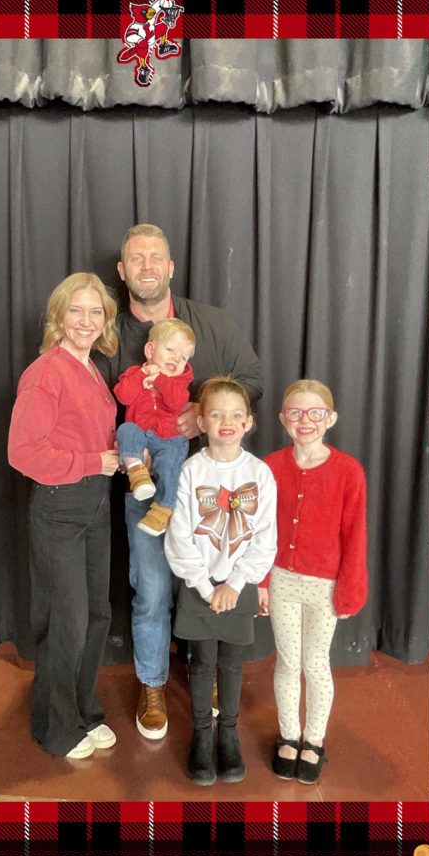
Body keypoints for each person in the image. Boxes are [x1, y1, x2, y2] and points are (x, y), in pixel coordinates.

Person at [95, 223, 262, 740]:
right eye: (136, 258)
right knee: (151, 590)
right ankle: (152, 683)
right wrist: (125, 445)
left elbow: (252, 380)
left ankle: (201, 672)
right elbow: (90, 403)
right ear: (122, 271)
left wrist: (200, 408)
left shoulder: (211, 323)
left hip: (205, 485)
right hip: (142, 488)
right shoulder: (107, 332)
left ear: (170, 267)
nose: (147, 267)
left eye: (156, 258)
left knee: (204, 580)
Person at [8, 273, 121, 760]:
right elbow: (23, 453)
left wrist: (124, 456)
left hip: (96, 503)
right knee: (67, 621)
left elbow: (92, 438)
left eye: (96, 311)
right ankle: (56, 727)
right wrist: (95, 462)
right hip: (60, 508)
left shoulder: (92, 368)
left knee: (97, 614)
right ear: (58, 316)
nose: (86, 320)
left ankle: (83, 710)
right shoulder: (46, 373)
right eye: (76, 310)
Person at [164, 378, 277, 784]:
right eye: (216, 414)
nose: (226, 422)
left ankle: (228, 733)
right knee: (201, 661)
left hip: (238, 585)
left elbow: (265, 537)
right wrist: (206, 586)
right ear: (202, 422)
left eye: (235, 415)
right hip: (200, 585)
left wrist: (236, 583)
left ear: (248, 422)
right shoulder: (191, 471)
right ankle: (201, 733)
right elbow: (179, 534)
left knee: (231, 662)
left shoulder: (259, 474)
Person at [260, 379, 367, 784]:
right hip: (282, 581)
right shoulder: (270, 467)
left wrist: (350, 589)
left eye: (315, 413)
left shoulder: (348, 471)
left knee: (316, 663)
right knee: (288, 661)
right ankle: (289, 735)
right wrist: (261, 581)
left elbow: (354, 534)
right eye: (296, 413)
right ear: (283, 418)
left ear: (330, 418)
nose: (305, 420)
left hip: (325, 585)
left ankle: (314, 739)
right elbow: (260, 531)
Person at [114, 319, 196, 536]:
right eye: (170, 350)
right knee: (126, 429)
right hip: (140, 438)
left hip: (169, 439)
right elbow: (123, 396)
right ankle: (138, 473)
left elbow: (176, 402)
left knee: (170, 465)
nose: (176, 358)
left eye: (183, 357)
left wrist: (159, 379)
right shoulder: (135, 373)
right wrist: (142, 375)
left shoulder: (179, 383)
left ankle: (163, 509)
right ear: (150, 350)